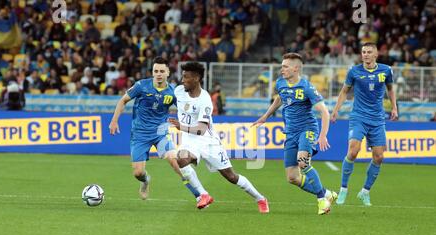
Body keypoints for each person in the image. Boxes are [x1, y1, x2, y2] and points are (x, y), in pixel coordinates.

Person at [168, 62, 269, 213]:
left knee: (231, 176)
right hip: (189, 141)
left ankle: (260, 198)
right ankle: (204, 194)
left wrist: (181, 127)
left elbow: (201, 130)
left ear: (196, 78)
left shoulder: (205, 99)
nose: (183, 80)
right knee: (181, 159)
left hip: (208, 142)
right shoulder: (178, 91)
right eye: (183, 77)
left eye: (186, 77)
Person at [252, 53, 337, 215]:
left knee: (303, 162)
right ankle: (327, 193)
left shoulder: (307, 87)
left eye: (285, 66)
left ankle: (322, 201)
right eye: (282, 66)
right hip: (290, 133)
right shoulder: (280, 83)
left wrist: (323, 135)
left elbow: (325, 112)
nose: (281, 69)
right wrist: (265, 116)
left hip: (307, 129)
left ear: (296, 68)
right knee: (292, 177)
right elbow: (279, 99)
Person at [109, 57, 200, 201]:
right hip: (140, 134)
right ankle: (145, 181)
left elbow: (184, 109)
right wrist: (114, 121)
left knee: (175, 163)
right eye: (156, 71)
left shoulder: (172, 92)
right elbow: (123, 100)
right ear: (152, 72)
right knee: (138, 173)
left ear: (168, 72)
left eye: (162, 71)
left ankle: (199, 195)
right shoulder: (141, 86)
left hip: (160, 134)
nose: (158, 74)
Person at [331, 43, 398, 206]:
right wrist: (335, 110)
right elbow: (344, 91)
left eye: (369, 52)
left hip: (377, 119)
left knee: (379, 156)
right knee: (353, 151)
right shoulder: (354, 71)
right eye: (363, 52)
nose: (366, 55)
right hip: (358, 116)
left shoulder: (386, 70)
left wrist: (394, 107)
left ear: (376, 54)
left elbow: (390, 89)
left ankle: (365, 192)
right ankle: (343, 189)